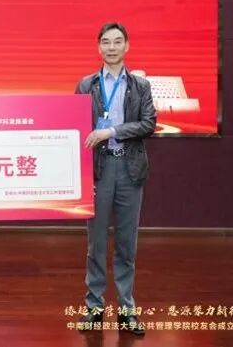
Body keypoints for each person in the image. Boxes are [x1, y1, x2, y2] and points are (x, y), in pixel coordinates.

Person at [75, 22, 156, 335]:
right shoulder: (86, 84)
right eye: (106, 42)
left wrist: (111, 131)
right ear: (99, 48)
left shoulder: (140, 86)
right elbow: (74, 124)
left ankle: (126, 310)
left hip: (130, 169)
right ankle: (94, 308)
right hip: (98, 169)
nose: (112, 47)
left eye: (117, 41)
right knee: (95, 243)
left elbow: (148, 124)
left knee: (126, 244)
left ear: (127, 46)